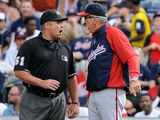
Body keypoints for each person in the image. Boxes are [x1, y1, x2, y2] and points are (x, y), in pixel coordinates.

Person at [77, 3, 141, 120]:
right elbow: (95, 69)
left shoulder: (113, 32)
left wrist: (134, 78)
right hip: (95, 93)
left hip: (110, 92)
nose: (84, 21)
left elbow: (132, 56)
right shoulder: (95, 39)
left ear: (95, 20)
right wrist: (91, 95)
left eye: (86, 17)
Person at [14, 10, 79, 120]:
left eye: (61, 23)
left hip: (59, 99)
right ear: (47, 25)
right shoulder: (30, 45)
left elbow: (71, 76)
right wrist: (42, 83)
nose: (62, 26)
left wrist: (75, 102)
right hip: (35, 98)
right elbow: (19, 72)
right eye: (58, 23)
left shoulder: (66, 47)